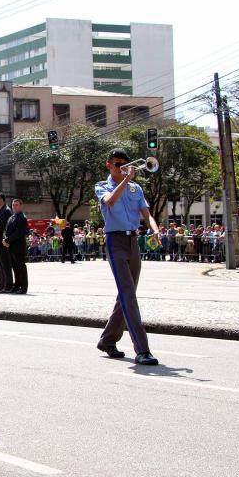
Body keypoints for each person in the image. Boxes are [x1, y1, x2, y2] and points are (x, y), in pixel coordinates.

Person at [94, 149, 160, 366]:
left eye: (124, 164)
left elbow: (146, 213)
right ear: (108, 165)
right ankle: (142, 349)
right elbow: (111, 201)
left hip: (133, 242)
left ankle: (108, 340)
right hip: (115, 242)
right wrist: (126, 179)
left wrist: (155, 229)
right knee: (128, 295)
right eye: (117, 164)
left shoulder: (136, 188)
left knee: (126, 295)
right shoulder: (102, 186)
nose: (121, 167)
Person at [3, 198, 29, 294]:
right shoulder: (11, 217)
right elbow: (6, 230)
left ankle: (23, 287)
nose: (14, 206)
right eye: (13, 205)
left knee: (21, 267)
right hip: (10, 246)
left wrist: (7, 240)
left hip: (18, 246)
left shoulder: (22, 217)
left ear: (21, 206)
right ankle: (17, 286)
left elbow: (19, 233)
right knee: (14, 267)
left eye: (17, 205)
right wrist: (5, 239)